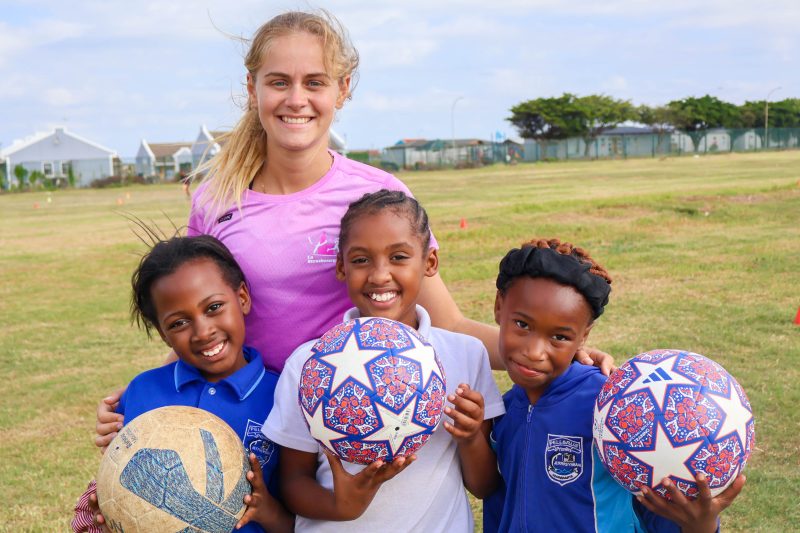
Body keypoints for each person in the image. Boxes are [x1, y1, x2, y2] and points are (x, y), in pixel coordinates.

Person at [94, 9, 612, 450]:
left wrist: (553, 350)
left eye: (314, 82)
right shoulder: (217, 198)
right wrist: (146, 398)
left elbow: (447, 322)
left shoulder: (376, 196)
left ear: (341, 90)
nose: (296, 98)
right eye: (279, 81)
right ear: (252, 89)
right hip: (253, 425)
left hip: (355, 421)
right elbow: (199, 313)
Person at [262, 190, 504, 531]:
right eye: (361, 260)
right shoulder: (310, 364)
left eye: (399, 257)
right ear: (341, 267)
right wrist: (341, 505)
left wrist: (470, 437)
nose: (379, 275)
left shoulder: (464, 354)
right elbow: (292, 482)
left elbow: (484, 486)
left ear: (430, 263)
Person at [481, 238, 745, 532]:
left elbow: (662, 503)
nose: (535, 351)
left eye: (560, 337)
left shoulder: (613, 408)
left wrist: (702, 527)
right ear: (499, 307)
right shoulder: (501, 410)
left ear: (583, 337)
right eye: (522, 325)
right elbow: (498, 500)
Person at [72, 235, 293, 532]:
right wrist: (114, 509)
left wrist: (266, 510)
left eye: (214, 307)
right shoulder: (142, 392)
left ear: (242, 298)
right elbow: (120, 481)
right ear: (164, 335)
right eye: (178, 323)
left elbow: (298, 524)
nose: (203, 332)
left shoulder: (282, 397)